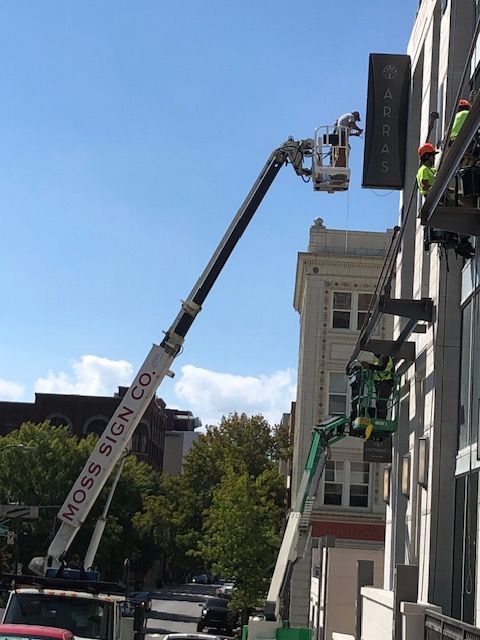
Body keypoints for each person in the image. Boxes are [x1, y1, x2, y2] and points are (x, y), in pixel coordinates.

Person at [417, 142, 475, 259]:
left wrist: (454, 191)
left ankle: (462, 240)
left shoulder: (431, 170)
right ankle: (463, 240)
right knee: (461, 212)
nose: (434, 158)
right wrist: (438, 190)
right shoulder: (423, 170)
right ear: (426, 156)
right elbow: (425, 185)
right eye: (432, 155)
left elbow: (440, 186)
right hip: (438, 200)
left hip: (442, 197)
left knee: (463, 209)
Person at [361, 354, 394, 420]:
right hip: (380, 383)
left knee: (381, 403)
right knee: (378, 403)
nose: (374, 354)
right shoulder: (378, 358)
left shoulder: (384, 356)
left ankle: (382, 420)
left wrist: (369, 366)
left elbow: (382, 367)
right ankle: (379, 419)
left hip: (385, 382)